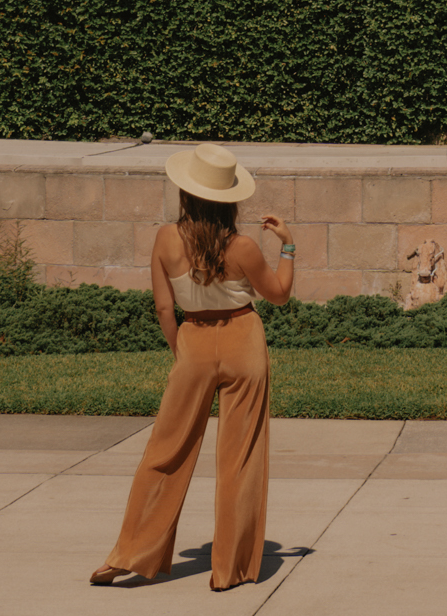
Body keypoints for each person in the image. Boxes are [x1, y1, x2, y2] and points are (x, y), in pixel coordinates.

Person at [92, 143, 295, 591]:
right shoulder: (242, 247)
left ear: (186, 195)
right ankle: (230, 570)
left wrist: (182, 352)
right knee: (240, 457)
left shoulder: (166, 239)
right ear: (230, 200)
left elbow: (165, 309)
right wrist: (289, 247)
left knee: (166, 451)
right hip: (244, 340)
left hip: (193, 342)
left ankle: (129, 554)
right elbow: (279, 294)